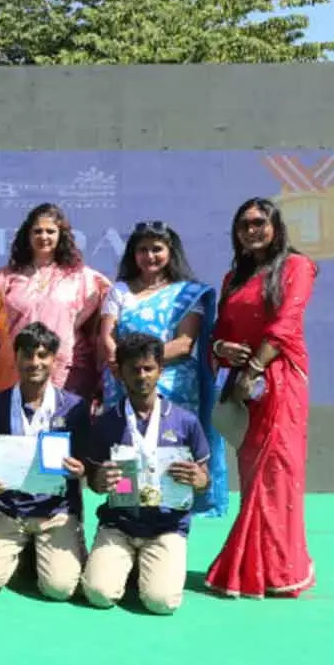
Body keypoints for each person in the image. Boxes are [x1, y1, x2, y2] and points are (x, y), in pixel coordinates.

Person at [206, 197, 318, 599]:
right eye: (244, 225)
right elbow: (220, 330)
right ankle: (253, 567)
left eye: (259, 223)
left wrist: (254, 367)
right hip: (243, 387)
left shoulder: (297, 267)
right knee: (253, 474)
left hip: (281, 379)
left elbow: (287, 324)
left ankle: (279, 569)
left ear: (275, 226)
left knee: (278, 475)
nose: (251, 230)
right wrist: (221, 348)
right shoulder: (233, 278)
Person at [99, 221, 226, 516]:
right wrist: (122, 365)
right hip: (125, 383)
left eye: (156, 249)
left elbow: (184, 343)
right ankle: (125, 512)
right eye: (142, 250)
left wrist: (138, 364)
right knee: (127, 451)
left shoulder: (187, 294)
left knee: (170, 455)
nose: (149, 256)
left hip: (172, 384)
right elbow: (106, 336)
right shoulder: (119, 291)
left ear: (171, 252)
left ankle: (171, 519)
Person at [82, 332, 211, 614]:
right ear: (120, 373)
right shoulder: (107, 423)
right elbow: (92, 478)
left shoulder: (185, 421)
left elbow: (204, 477)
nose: (142, 376)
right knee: (99, 594)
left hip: (166, 527)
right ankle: (128, 564)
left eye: (148, 368)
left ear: (160, 370)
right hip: (119, 524)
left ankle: (144, 565)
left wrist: (200, 480)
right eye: (134, 369)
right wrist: (98, 481)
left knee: (161, 603)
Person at [0, 322, 90, 601]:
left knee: (59, 589)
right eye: (27, 355)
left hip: (55, 514)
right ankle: (25, 553)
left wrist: (81, 470)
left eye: (42, 355)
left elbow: (87, 465)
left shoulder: (74, 407)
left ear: (54, 359)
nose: (34, 362)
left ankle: (49, 550)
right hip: (10, 512)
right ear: (16, 358)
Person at [0, 203, 108, 402]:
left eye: (50, 231)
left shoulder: (82, 277)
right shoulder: (6, 277)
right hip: (14, 370)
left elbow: (102, 325)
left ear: (61, 235)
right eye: (37, 231)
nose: (44, 237)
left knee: (62, 418)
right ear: (27, 235)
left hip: (65, 373)